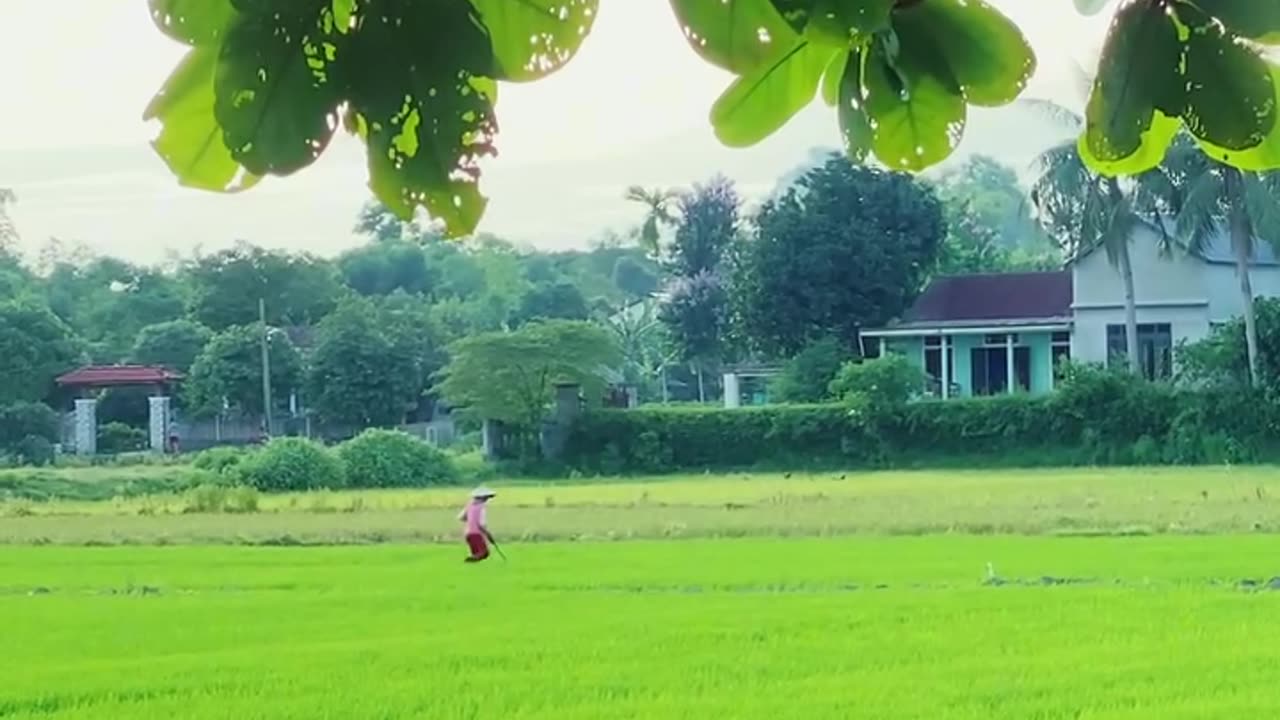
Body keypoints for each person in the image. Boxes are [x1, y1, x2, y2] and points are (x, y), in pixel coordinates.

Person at [458, 486, 496, 563]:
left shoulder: (469, 505)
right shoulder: (482, 507)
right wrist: (488, 534)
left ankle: (471, 567)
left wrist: (471, 519)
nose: (487, 499)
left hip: (468, 533)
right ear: (483, 498)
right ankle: (467, 562)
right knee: (484, 553)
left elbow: (461, 517)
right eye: (487, 498)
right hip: (477, 534)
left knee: (476, 553)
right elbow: (481, 524)